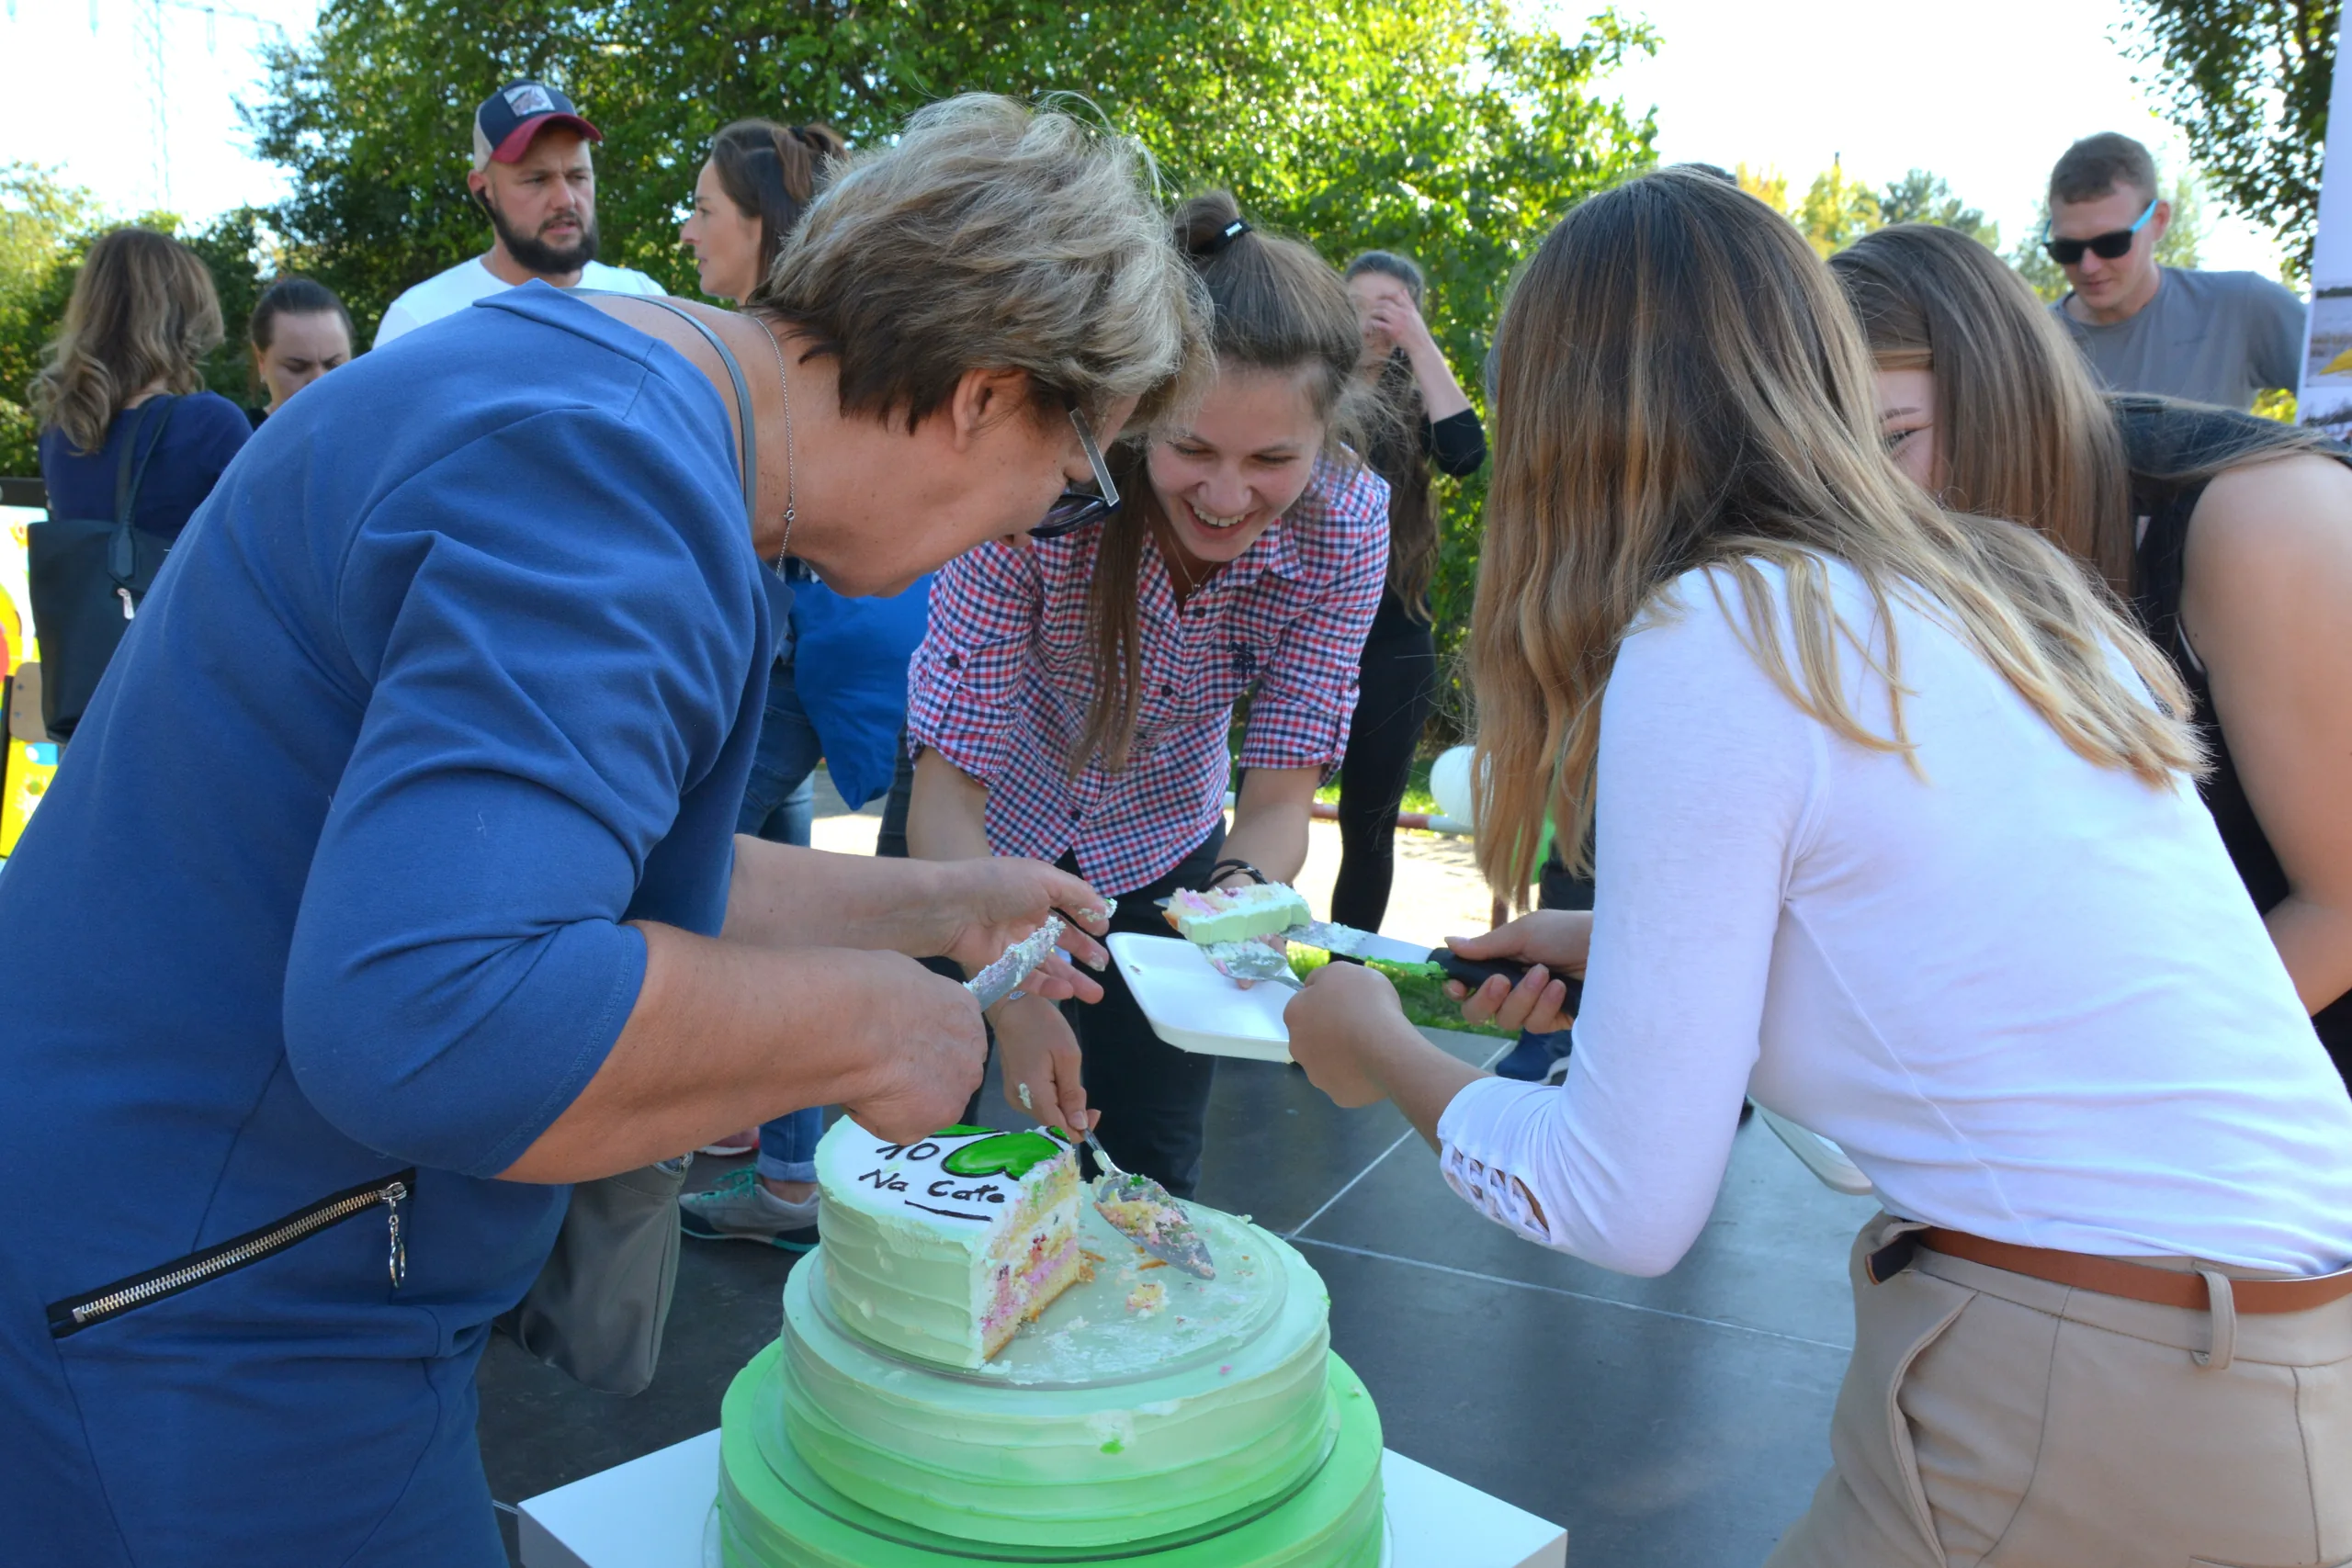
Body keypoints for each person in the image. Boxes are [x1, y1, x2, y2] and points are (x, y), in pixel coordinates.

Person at [0, 96, 1205, 1566]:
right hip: (197, 1305)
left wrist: (938, 906)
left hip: (178, 1240)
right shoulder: (615, 486)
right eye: (1071, 481)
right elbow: (438, 1009)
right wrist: (876, 1025)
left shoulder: (593, 382)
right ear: (985, 394)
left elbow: (557, 862)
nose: (1033, 527)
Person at [1283, 168, 2352, 1567]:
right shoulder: (2017, 588)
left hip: (2086, 1385)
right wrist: (1622, 951)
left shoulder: (1718, 628)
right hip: (2274, 1370)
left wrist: (1376, 1046)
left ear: (1567, 425)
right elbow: (1967, 956)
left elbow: (1615, 1201)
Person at [905, 192, 1386, 1197]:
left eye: (1272, 460)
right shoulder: (1040, 490)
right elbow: (946, 790)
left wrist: (1237, 900)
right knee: (913, 1126)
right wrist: (1009, 994)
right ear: (1140, 413)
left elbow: (1279, 799)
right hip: (977, 832)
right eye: (1192, 450)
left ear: (1326, 434)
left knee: (1149, 1165)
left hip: (1162, 850)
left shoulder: (1347, 527)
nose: (1226, 497)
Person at [1830, 221, 2352, 1091]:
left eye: (1893, 440)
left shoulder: (2262, 520)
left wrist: (2088, 1103)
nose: (1869, 503)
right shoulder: (1943, 558)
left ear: (2001, 391)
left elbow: (2341, 909)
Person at [672, 118, 937, 1245]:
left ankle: (773, 1162)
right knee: (773, 899)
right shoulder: (819, 344)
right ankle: (769, 1143)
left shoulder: (762, 357)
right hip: (822, 657)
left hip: (807, 661)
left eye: (704, 212)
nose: (687, 233)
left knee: (686, 878)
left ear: (760, 229)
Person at [31, 228, 252, 737]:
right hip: (185, 698)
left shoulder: (60, 434)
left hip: (88, 701)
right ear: (184, 315)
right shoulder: (210, 424)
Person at [1328, 251, 1485, 931]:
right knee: (1268, 797)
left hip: (1393, 636)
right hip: (1303, 624)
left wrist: (1418, 342)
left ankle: (1346, 973)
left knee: (1368, 826)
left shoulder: (1417, 396)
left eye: (1390, 308)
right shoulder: (1306, 380)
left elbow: (1466, 454)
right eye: (1358, 304)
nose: (1372, 320)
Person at [373, 79, 664, 347]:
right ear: (483, 189)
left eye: (578, 177)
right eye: (537, 180)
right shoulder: (420, 321)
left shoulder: (646, 300)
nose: (565, 200)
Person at [2041, 132, 2303, 412]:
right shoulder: (2032, 343)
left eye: (2111, 244)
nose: (2088, 266)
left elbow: (2333, 391)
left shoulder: (2239, 306)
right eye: (2067, 249)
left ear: (2159, 220)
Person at [245, 275, 354, 426]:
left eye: (334, 366)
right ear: (261, 361)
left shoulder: (376, 432)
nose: (318, 382)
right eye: (297, 368)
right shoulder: (239, 438)